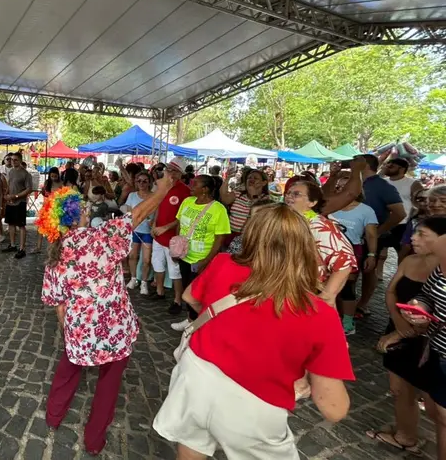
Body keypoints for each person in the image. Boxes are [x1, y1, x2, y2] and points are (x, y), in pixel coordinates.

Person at [153, 204, 354, 459]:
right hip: (254, 404)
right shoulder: (319, 313)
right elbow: (334, 409)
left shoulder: (223, 264)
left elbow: (190, 297)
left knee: (193, 443)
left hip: (197, 376)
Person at [40, 176, 175, 456]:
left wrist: (71, 334)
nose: (88, 209)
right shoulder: (102, 237)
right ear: (79, 215)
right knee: (108, 387)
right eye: (84, 207)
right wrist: (162, 191)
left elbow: (58, 303)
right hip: (115, 328)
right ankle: (94, 441)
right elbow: (138, 215)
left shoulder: (56, 252)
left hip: (78, 328)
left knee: (67, 372)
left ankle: (53, 416)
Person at [367, 217, 446, 456]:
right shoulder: (424, 265)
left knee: (436, 409)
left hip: (428, 344)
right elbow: (400, 293)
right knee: (400, 389)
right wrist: (404, 321)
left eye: (422, 234)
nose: (412, 238)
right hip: (418, 338)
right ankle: (406, 435)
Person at [397, 220, 446, 460]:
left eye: (422, 234)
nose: (413, 238)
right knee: (439, 413)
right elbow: (426, 294)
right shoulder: (441, 266)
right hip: (438, 350)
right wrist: (419, 307)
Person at [284, 180, 357, 313]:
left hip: (309, 294)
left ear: (312, 202)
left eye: (296, 194)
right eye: (288, 193)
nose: (289, 196)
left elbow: (345, 260)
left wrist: (327, 296)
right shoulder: (291, 221)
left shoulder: (319, 226)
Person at [171, 175, 231, 332]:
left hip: (202, 258)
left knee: (198, 294)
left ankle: (200, 325)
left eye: (194, 184)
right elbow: (179, 224)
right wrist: (177, 246)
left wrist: (206, 260)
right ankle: (190, 320)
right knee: (187, 290)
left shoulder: (218, 209)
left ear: (205, 189)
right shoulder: (187, 202)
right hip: (184, 256)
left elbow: (220, 238)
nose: (190, 186)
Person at [355, 154, 406, 316]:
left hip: (369, 236)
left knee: (368, 270)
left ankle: (363, 303)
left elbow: (399, 213)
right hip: (350, 234)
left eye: (354, 162)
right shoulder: (354, 182)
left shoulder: (382, 186)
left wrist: (378, 232)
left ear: (364, 165)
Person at [328, 173, 378, 335]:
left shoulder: (366, 210)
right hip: (325, 250)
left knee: (346, 287)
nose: (341, 190)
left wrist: (371, 254)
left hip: (350, 250)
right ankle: (329, 317)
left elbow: (371, 234)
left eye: (345, 187)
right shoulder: (328, 204)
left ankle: (348, 322)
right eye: (338, 187)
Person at [151, 158, 196, 310]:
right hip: (158, 233)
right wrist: (155, 224)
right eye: (168, 169)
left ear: (180, 174)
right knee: (157, 262)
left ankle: (177, 300)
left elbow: (184, 217)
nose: (168, 172)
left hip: (173, 237)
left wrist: (165, 227)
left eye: (172, 170)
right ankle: (159, 290)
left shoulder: (185, 191)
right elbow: (158, 206)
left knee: (174, 270)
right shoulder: (162, 187)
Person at [123, 171, 155, 296]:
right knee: (132, 256)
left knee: (146, 259)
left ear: (149, 183)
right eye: (139, 181)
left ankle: (144, 282)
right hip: (135, 230)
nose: (142, 183)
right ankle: (133, 278)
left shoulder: (153, 195)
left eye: (145, 181)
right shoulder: (132, 195)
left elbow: (156, 212)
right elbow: (129, 211)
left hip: (147, 231)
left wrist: (152, 222)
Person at [219, 167, 269, 245]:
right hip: (230, 234)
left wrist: (254, 195)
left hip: (250, 238)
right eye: (249, 178)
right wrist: (227, 179)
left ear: (264, 183)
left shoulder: (266, 199)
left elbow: (257, 216)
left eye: (255, 178)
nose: (251, 179)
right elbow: (225, 199)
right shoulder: (238, 194)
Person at [4, 152, 34, 259]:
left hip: (20, 202)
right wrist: (6, 194)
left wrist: (16, 196)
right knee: (11, 224)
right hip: (10, 202)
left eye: (15, 159)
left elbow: (29, 189)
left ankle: (22, 248)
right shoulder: (11, 172)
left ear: (20, 160)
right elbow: (9, 184)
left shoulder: (26, 174)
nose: (13, 161)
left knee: (21, 225)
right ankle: (12, 245)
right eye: (11, 159)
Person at [33, 167, 62, 254]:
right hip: (45, 208)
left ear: (58, 175)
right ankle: (38, 247)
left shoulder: (61, 183)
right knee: (40, 228)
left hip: (55, 209)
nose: (53, 178)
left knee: (53, 230)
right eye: (52, 176)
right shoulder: (47, 182)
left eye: (55, 176)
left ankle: (53, 248)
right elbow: (44, 193)